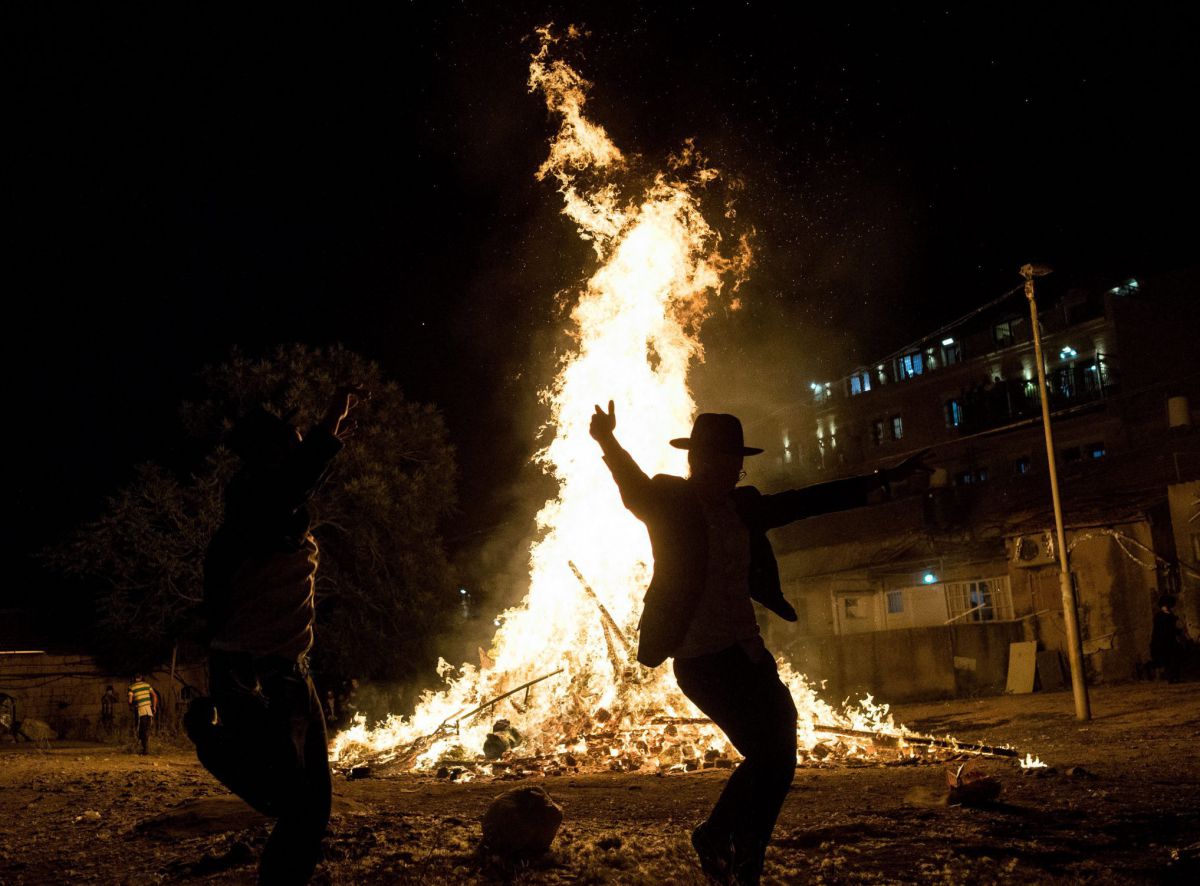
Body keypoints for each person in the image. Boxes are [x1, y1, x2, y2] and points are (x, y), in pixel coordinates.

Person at [590, 403, 925, 885]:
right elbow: (631, 484)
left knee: (779, 754)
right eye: (716, 460)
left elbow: (809, 501)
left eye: (734, 462)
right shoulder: (668, 500)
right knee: (770, 754)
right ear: (695, 460)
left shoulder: (743, 506)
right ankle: (721, 841)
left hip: (746, 650)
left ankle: (744, 855)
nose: (726, 470)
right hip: (701, 658)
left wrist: (886, 480)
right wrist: (607, 440)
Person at [185, 387, 362, 885]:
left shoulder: (271, 512)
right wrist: (331, 423)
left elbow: (297, 481)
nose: (301, 441)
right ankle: (210, 741)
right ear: (271, 454)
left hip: (286, 671)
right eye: (294, 439)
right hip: (254, 675)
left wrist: (327, 441)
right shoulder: (252, 504)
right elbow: (295, 479)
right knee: (292, 802)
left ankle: (216, 743)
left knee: (312, 804)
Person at [1150, 595, 1186, 683]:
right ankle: (1172, 678)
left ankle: (1175, 677)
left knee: (1176, 657)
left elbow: (1172, 627)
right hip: (1163, 641)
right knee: (1170, 658)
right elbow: (1164, 629)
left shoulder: (1169, 615)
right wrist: (1177, 630)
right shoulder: (1160, 616)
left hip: (1170, 639)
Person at [127, 675, 158, 754]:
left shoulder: (131, 687)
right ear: (141, 677)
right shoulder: (147, 685)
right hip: (149, 711)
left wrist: (132, 706)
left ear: (134, 679)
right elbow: (154, 695)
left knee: (141, 730)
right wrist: (154, 707)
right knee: (147, 729)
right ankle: (145, 748)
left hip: (140, 712)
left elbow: (130, 701)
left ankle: (144, 749)